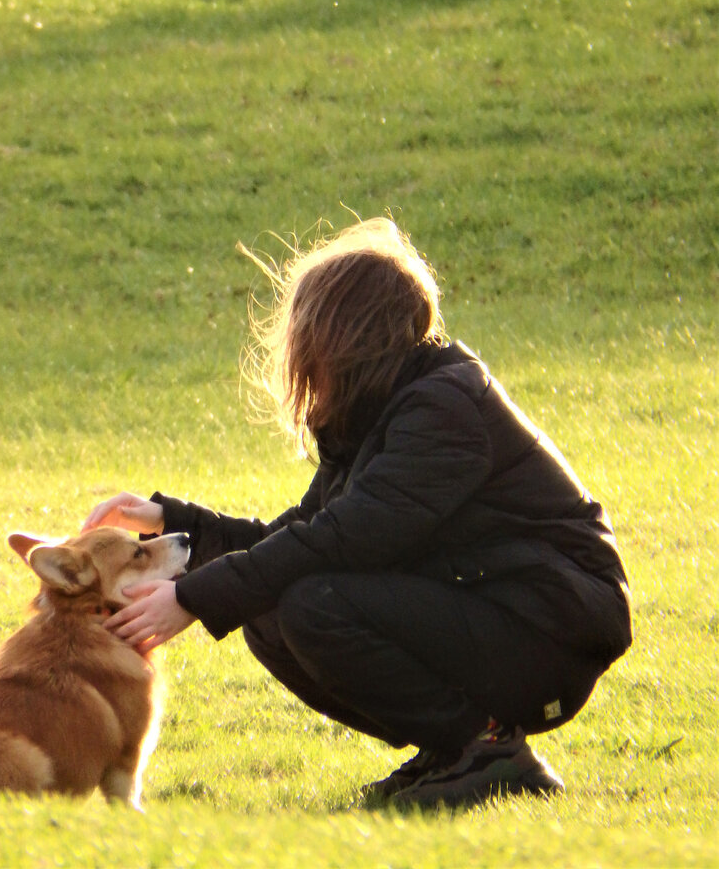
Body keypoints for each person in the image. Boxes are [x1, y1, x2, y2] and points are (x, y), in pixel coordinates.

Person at [83, 218, 632, 808]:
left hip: (551, 629)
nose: (301, 356)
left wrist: (192, 598)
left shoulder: (442, 411)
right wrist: (172, 520)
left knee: (312, 604)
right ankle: (452, 750)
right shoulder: (383, 409)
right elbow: (292, 536)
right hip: (500, 609)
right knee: (271, 608)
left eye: (310, 335)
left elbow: (344, 540)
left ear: (347, 336)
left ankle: (485, 749)